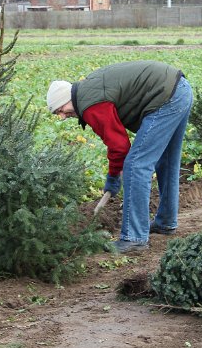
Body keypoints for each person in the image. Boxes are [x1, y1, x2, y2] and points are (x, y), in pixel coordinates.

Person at [46, 60, 193, 254]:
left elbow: (119, 146)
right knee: (166, 161)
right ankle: (165, 222)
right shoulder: (88, 92)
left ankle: (134, 238)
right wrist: (114, 176)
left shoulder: (90, 104)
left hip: (167, 98)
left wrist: (113, 177)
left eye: (60, 110)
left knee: (136, 165)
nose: (62, 117)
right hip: (179, 90)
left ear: (66, 98)